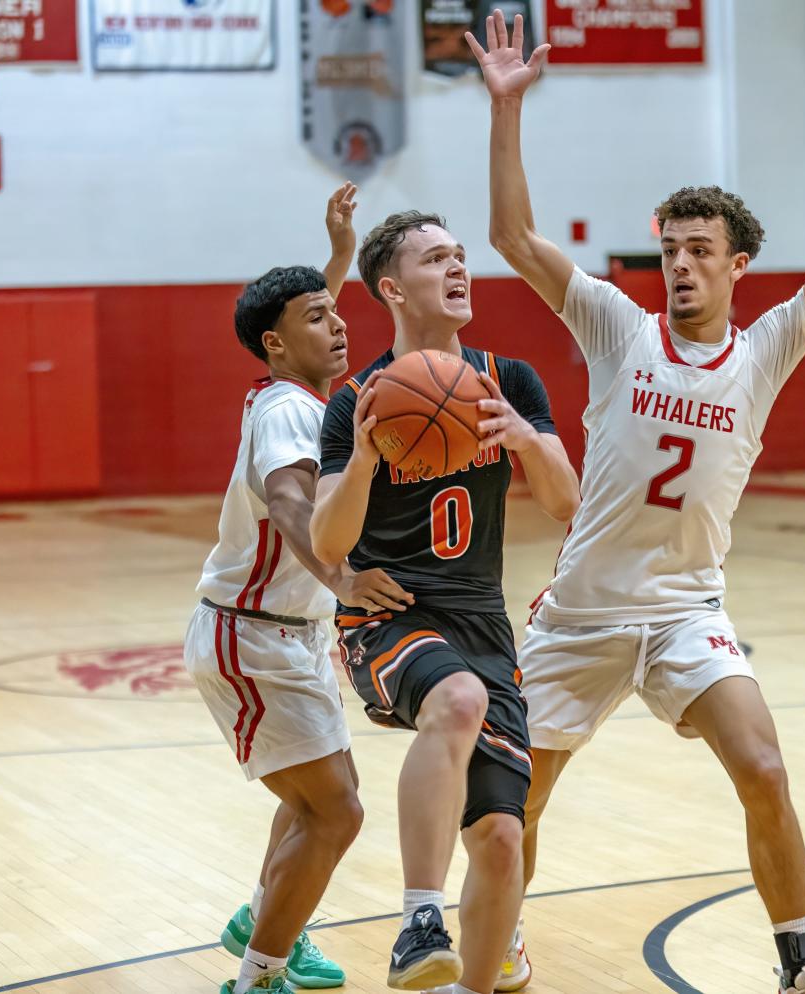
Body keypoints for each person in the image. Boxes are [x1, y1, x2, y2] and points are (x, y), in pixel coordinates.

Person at [468, 14, 805, 993]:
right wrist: (507, 108)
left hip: (686, 608)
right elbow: (512, 235)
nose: (678, 263)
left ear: (735, 266)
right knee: (518, 808)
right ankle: (499, 944)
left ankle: (802, 959)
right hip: (585, 610)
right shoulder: (616, 326)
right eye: (670, 247)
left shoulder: (765, 350)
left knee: (763, 764)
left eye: (699, 250)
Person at [311, 209, 579, 994]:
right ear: (392, 288)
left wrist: (526, 440)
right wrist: (362, 459)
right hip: (388, 617)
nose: (459, 269)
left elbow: (567, 501)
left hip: (483, 623)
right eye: (436, 260)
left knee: (501, 836)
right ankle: (420, 915)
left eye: (461, 256)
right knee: (456, 700)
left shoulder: (511, 378)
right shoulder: (355, 399)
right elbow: (329, 543)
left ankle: (475, 980)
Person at [184, 184, 415, 994]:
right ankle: (258, 976)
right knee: (336, 810)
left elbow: (303, 312)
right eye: (318, 317)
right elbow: (289, 503)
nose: (339, 321)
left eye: (336, 309)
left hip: (287, 631)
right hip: (254, 635)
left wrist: (341, 254)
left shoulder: (290, 388)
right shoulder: (287, 407)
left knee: (317, 799)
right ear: (276, 346)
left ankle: (263, 920)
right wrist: (345, 578)